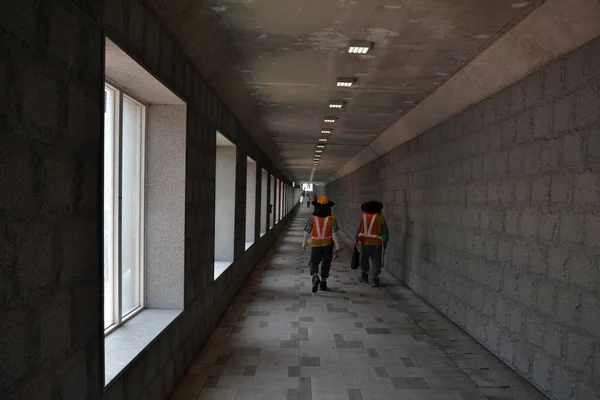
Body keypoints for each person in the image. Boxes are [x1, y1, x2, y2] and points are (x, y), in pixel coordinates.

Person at [302, 195, 341, 293]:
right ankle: (323, 282)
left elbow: (307, 232)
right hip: (328, 245)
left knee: (314, 262)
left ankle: (315, 276)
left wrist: (304, 242)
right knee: (326, 263)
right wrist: (337, 246)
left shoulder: (312, 218)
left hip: (315, 245)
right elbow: (334, 234)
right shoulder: (332, 219)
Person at [355, 200, 388, 287]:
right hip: (376, 243)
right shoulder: (381, 218)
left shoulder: (364, 217)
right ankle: (374, 279)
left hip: (364, 243)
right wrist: (384, 242)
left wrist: (355, 240)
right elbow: (384, 232)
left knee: (364, 259)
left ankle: (364, 276)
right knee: (376, 261)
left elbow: (358, 229)